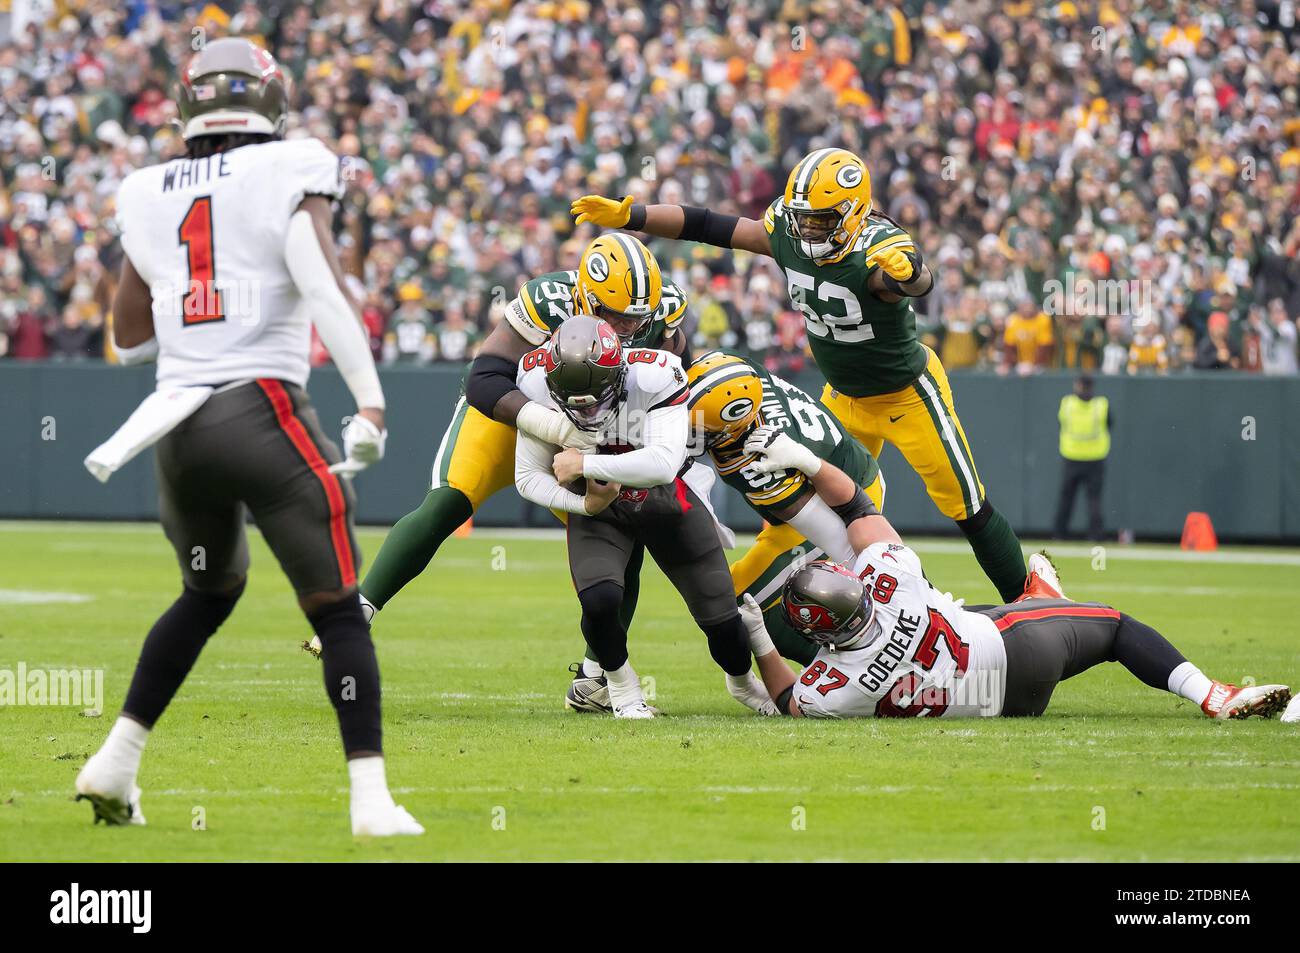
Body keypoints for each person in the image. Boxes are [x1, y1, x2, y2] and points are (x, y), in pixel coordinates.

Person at [74, 39, 421, 837]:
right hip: (258, 407)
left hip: (176, 429)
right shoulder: (290, 164)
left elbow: (127, 339)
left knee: (207, 593)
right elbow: (319, 279)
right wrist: (368, 401)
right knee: (338, 610)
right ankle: (371, 803)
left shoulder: (146, 188)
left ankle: (116, 763)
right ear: (271, 100)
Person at [572, 147, 1028, 604]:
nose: (807, 228)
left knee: (965, 505)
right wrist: (634, 213)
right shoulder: (789, 235)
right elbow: (710, 225)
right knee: (808, 505)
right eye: (802, 217)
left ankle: (1029, 605)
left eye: (820, 220)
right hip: (841, 395)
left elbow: (912, 283)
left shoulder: (876, 251)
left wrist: (913, 274)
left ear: (852, 215)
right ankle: (855, 615)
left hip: (905, 394)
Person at [347, 234, 694, 712]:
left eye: (639, 316)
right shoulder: (548, 299)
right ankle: (358, 610)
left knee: (619, 531)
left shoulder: (663, 315)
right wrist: (547, 423)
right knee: (450, 500)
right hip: (514, 414)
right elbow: (484, 378)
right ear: (587, 299)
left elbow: (675, 393)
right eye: (615, 315)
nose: (629, 326)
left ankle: (596, 677)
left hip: (590, 429)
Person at [729, 445, 1290, 721]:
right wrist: (801, 457)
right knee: (1115, 626)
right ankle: (1211, 694)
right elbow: (854, 503)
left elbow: (788, 699)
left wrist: (759, 639)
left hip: (998, 703)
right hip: (1017, 653)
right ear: (857, 592)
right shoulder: (892, 583)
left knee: (969, 615)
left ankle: (1039, 600)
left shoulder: (834, 684)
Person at [513, 316, 769, 718]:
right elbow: (526, 478)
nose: (590, 411)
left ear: (619, 375)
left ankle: (741, 681)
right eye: (576, 402)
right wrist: (586, 505)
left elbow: (663, 465)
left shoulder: (654, 374)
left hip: (667, 500)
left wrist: (586, 463)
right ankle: (621, 690)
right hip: (601, 508)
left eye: (598, 397)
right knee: (599, 600)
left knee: (722, 623)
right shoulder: (534, 380)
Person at [686, 349, 886, 666]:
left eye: (701, 426)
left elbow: (838, 538)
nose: (691, 429)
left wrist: (891, 576)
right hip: (839, 466)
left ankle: (846, 666)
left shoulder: (760, 461)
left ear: (730, 427)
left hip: (839, 501)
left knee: (734, 597)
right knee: (728, 593)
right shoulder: (738, 375)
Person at [1053, 374, 1111, 541]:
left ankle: (1059, 533)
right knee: (1094, 499)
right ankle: (1095, 535)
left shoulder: (1067, 404)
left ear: (1077, 385)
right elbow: (1109, 424)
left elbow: (1060, 423)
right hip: (1095, 457)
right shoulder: (1101, 405)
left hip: (1072, 456)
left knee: (1067, 498)